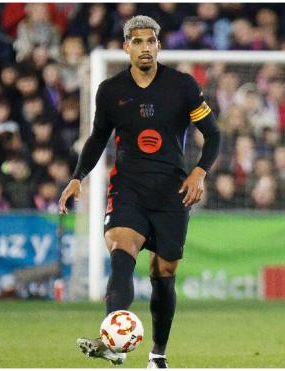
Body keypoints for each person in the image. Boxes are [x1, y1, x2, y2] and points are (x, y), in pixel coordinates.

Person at [57, 15, 220, 368]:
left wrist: (200, 172)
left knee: (164, 272)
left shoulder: (183, 86)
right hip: (128, 187)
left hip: (172, 191)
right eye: (138, 41)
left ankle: (157, 355)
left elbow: (215, 134)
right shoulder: (111, 91)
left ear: (159, 45)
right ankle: (113, 342)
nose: (145, 47)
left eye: (151, 41)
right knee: (120, 247)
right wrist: (77, 176)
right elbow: (99, 137)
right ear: (126, 46)